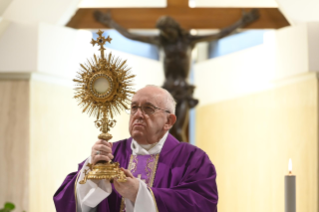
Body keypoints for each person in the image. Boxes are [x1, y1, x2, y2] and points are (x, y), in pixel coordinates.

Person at [94, 10, 259, 142]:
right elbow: (132, 35)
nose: (165, 34)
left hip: (183, 92)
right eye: (163, 32)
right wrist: (110, 23)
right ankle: (166, 161)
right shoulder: (162, 41)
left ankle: (184, 161)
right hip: (166, 92)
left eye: (167, 30)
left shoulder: (188, 41)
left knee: (178, 130)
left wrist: (242, 22)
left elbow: (219, 34)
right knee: (165, 130)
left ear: (174, 28)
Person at [54, 85, 218, 212]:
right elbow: (65, 200)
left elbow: (201, 205)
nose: (138, 115)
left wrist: (140, 193)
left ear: (169, 121)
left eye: (148, 108)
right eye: (134, 108)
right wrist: (91, 176)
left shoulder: (193, 159)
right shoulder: (111, 153)